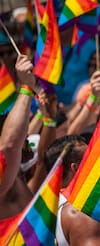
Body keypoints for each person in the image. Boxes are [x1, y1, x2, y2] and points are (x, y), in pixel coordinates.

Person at [0, 55, 40, 244]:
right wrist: (26, 88)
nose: (28, 138)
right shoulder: (5, 180)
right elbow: (9, 146)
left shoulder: (19, 178)